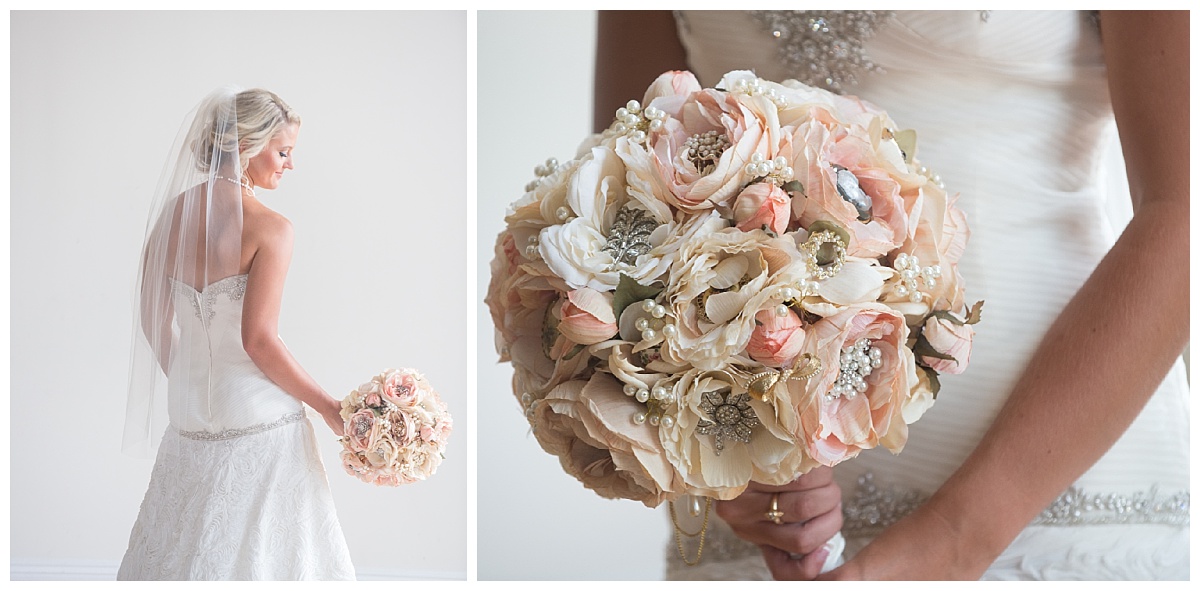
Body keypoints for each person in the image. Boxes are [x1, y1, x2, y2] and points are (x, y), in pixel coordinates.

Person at [595, 10, 1189, 580]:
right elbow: (626, 203)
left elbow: (1182, 214)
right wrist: (720, 458)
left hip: (1056, 496)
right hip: (770, 522)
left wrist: (958, 539)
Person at [119, 88, 355, 580]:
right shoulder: (272, 228)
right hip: (255, 415)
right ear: (248, 144)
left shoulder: (171, 216)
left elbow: (151, 317)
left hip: (186, 409)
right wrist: (329, 406)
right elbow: (259, 341)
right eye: (283, 151)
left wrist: (186, 374)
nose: (290, 165)